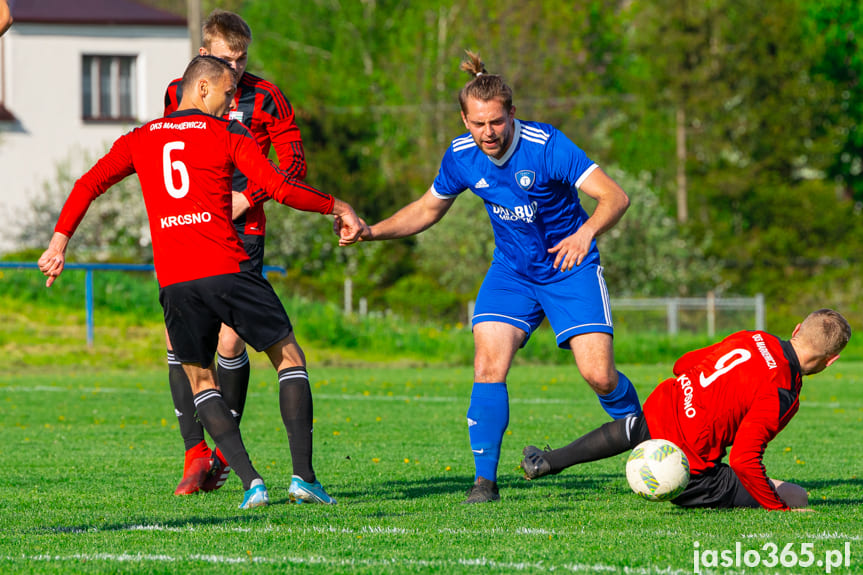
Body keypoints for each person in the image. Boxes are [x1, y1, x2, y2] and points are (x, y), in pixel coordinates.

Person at [37, 55, 361, 509]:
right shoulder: (229, 133)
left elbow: (89, 183)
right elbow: (280, 185)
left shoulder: (141, 137)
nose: (232, 103)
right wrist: (336, 205)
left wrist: (59, 243)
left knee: (199, 379)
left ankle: (252, 483)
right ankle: (304, 477)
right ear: (203, 88)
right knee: (288, 357)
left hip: (176, 282)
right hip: (229, 269)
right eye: (228, 93)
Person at [339, 50, 642, 504]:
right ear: (464, 119)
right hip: (512, 273)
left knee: (598, 375)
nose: (488, 133)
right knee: (487, 365)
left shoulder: (548, 145)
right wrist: (370, 231)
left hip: (569, 267)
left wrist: (585, 233)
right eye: (478, 124)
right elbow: (427, 209)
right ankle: (485, 483)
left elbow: (614, 197)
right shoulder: (462, 156)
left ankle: (646, 432)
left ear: (511, 114)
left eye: (496, 122)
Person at [162, 10, 311, 496]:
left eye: (243, 57)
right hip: (188, 233)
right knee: (176, 342)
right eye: (229, 59)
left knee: (230, 343)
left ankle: (227, 451)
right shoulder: (178, 92)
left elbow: (293, 161)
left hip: (241, 233)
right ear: (205, 54)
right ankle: (194, 454)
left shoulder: (266, 97)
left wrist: (250, 196)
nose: (238, 68)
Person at [520, 309, 851, 510]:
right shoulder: (783, 391)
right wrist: (779, 508)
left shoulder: (754, 337)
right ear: (831, 360)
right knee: (799, 495)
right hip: (691, 474)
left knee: (637, 426)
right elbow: (744, 460)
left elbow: (683, 364)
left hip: (667, 407)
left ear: (796, 330)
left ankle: (547, 461)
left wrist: (697, 398)